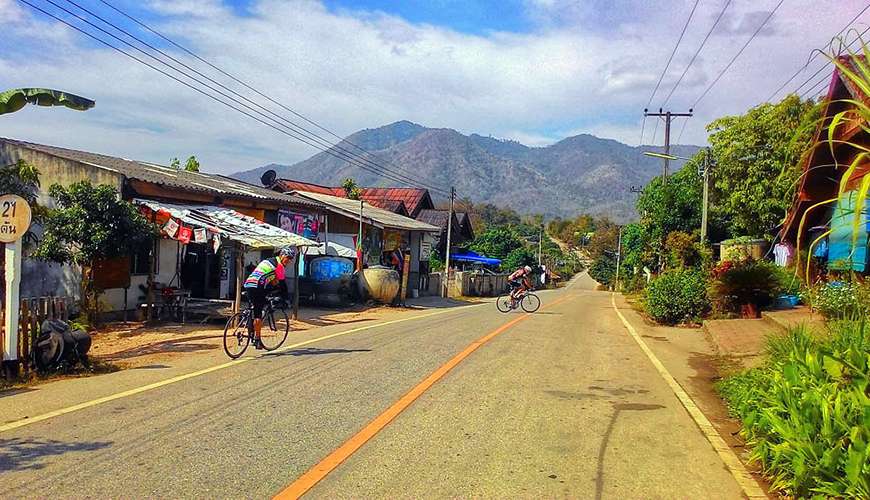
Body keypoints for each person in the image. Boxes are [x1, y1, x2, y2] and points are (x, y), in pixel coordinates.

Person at [243, 246, 295, 349]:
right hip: (257, 287)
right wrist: (286, 299)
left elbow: (272, 279)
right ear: (282, 255)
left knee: (252, 310)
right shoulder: (279, 266)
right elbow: (282, 285)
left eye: (290, 260)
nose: (288, 261)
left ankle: (251, 334)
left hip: (249, 284)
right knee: (258, 314)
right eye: (287, 258)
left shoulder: (267, 261)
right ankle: (257, 340)